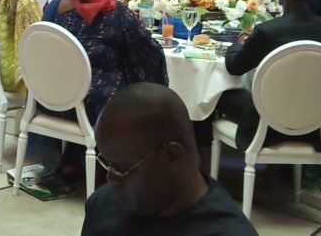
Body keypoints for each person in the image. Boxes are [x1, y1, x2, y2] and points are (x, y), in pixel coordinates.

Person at [42, 0, 167, 177]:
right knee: (139, 85)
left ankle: (74, 156)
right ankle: (126, 160)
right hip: (96, 107)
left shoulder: (53, 8)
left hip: (50, 99)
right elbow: (150, 55)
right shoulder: (117, 15)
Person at [82, 83, 257, 236]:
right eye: (107, 164)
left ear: (172, 156)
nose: (111, 179)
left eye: (121, 168)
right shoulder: (101, 205)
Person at [217, 0, 321, 149]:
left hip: (267, 125)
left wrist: (239, 43)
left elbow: (235, 67)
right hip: (316, 125)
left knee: (219, 94)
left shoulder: (268, 31)